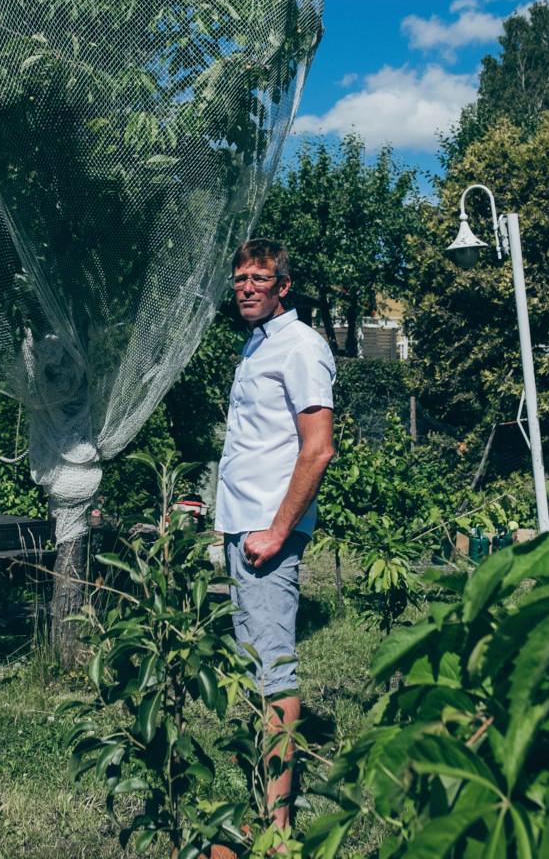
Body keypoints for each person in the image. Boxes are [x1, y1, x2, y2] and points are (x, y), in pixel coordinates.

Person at [215, 237, 336, 832]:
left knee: (274, 673)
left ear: (283, 286)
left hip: (268, 535)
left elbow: (318, 450)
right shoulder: (254, 346)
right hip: (245, 530)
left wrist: (276, 531)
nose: (246, 287)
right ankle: (263, 801)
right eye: (240, 278)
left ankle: (278, 825)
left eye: (259, 278)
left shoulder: (302, 347)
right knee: (254, 666)